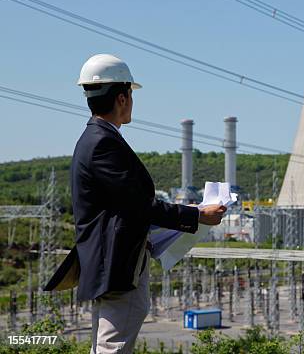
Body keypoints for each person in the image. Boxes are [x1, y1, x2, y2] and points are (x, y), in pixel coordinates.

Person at [45, 54, 226, 353]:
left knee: (104, 345)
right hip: (115, 264)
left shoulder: (96, 138)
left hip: (109, 263)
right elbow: (139, 206)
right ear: (122, 98)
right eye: (131, 95)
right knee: (112, 347)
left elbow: (127, 205)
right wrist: (197, 215)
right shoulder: (103, 143)